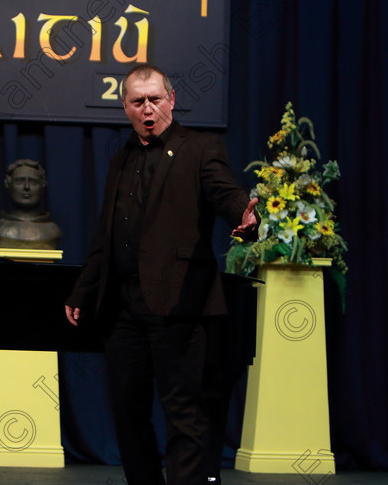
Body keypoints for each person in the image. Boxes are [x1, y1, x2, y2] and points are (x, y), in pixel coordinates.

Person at [64, 65, 258, 485]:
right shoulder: (121, 158)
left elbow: (224, 192)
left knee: (184, 413)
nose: (148, 109)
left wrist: (243, 214)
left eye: (155, 99)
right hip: (123, 308)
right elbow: (106, 233)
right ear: (126, 107)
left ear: (171, 99)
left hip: (179, 304)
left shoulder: (200, 148)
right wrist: (84, 289)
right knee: (128, 412)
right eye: (138, 102)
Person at [0, 159, 62, 249]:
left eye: (33, 182)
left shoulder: (53, 231)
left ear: (43, 185)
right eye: (19, 181)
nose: (26, 187)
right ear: (8, 184)